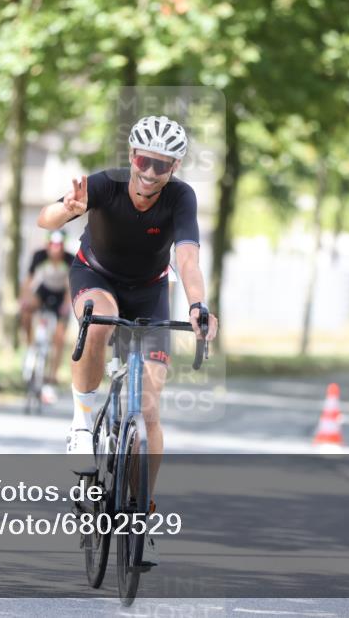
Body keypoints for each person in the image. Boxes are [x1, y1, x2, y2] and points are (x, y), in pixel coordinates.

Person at [36, 114, 219, 497]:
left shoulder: (181, 197)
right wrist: (69, 208)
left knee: (149, 409)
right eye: (143, 161)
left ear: (175, 166)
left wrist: (198, 304)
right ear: (132, 155)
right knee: (99, 322)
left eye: (162, 164)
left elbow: (187, 258)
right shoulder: (105, 183)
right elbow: (45, 220)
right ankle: (82, 425)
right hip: (96, 276)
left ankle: (143, 511)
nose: (150, 172)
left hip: (149, 291)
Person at [19, 230, 75, 397]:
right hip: (43, 292)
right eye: (52, 244)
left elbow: (70, 287)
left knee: (59, 337)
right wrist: (24, 299)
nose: (55, 249)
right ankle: (29, 346)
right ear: (47, 244)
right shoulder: (39, 256)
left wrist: (66, 305)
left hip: (61, 296)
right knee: (27, 311)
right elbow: (29, 281)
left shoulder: (69, 259)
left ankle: (52, 376)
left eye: (59, 245)